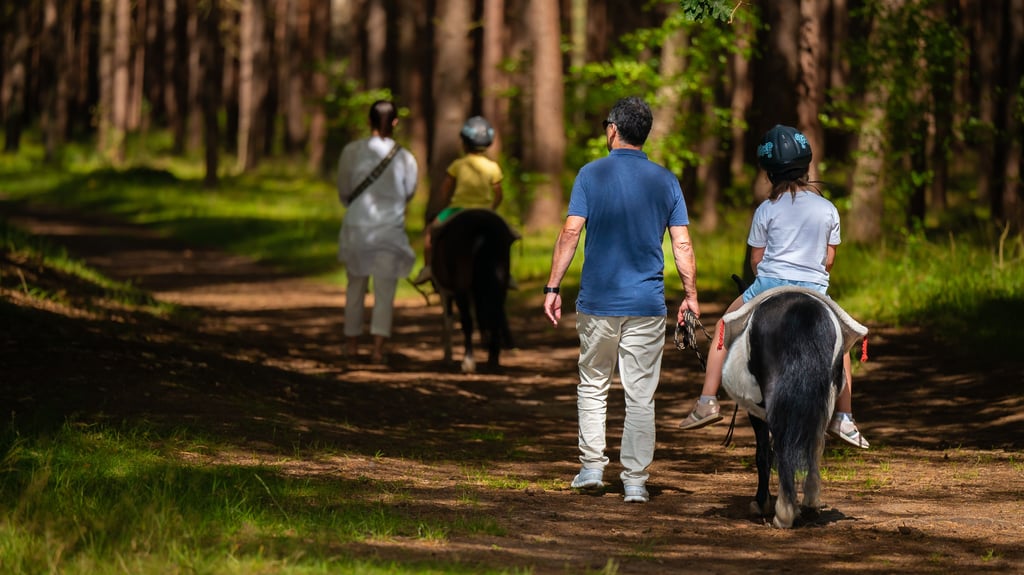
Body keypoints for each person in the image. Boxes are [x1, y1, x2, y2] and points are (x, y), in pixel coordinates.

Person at [542, 96, 700, 503]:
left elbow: (571, 233)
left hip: (598, 301)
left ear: (613, 130)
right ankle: (634, 482)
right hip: (647, 304)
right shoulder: (666, 180)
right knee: (640, 394)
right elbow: (681, 244)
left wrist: (553, 286)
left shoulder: (590, 175)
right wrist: (691, 296)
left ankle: (592, 468)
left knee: (593, 384)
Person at [677, 124, 869, 449]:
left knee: (724, 327)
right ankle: (845, 417)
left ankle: (707, 400)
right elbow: (829, 260)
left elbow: (756, 260)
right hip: (814, 291)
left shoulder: (766, 209)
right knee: (843, 345)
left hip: (768, 286)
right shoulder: (828, 209)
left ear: (769, 172)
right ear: (807, 165)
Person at [336, 100, 419, 363]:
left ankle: (351, 346)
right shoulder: (405, 157)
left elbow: (344, 189)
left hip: (357, 228)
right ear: (395, 122)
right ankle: (378, 350)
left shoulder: (351, 151)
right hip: (390, 231)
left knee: (355, 288)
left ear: (369, 120)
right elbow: (409, 192)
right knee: (385, 292)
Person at [412, 116, 504, 285]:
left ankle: (428, 269)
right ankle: (506, 274)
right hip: (485, 211)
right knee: (506, 235)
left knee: (431, 233)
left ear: (464, 143)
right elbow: (498, 194)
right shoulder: (493, 167)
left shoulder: (458, 165)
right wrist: (492, 208)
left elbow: (445, 189)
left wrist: (445, 204)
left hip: (457, 209)